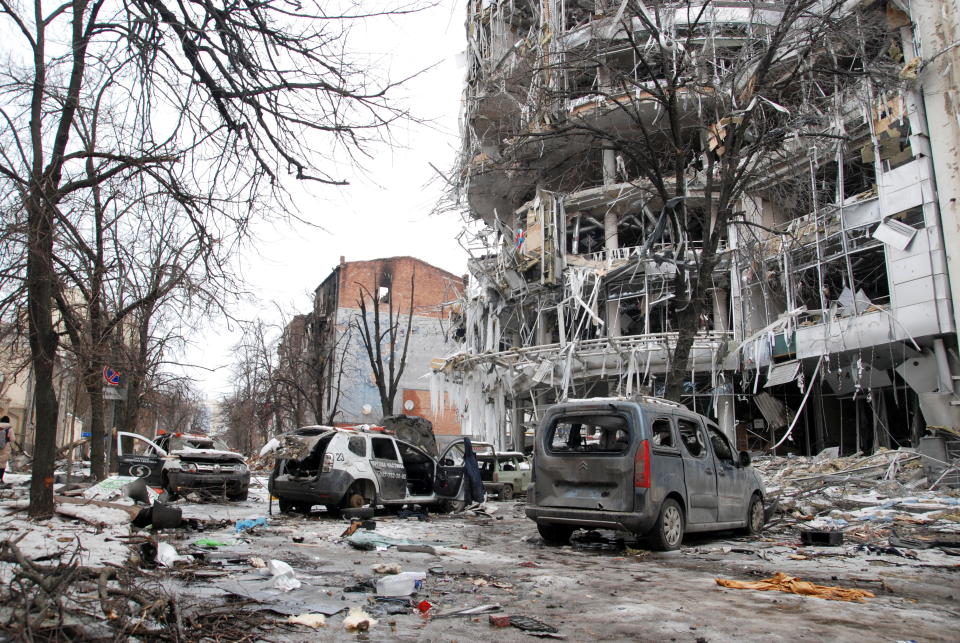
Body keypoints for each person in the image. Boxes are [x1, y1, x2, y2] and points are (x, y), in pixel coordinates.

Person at [0, 416, 12, 484]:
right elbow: (12, 439)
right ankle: (1, 478)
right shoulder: (9, 428)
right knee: (3, 464)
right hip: (5, 448)